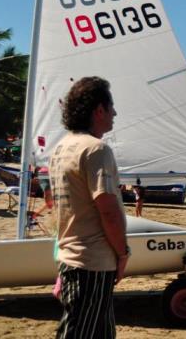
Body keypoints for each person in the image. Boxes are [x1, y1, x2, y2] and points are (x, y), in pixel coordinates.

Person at [49, 77, 127, 338]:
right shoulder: (96, 150)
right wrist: (123, 253)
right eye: (111, 106)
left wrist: (61, 262)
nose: (115, 113)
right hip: (92, 263)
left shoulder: (60, 149)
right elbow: (108, 211)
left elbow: (62, 210)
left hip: (71, 258)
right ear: (99, 110)